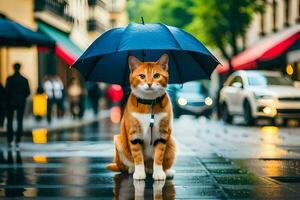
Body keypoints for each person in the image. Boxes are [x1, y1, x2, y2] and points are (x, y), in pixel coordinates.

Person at [5, 63, 30, 148]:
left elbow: (7, 91)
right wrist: (22, 97)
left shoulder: (9, 79)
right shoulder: (24, 79)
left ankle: (10, 139)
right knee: (19, 121)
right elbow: (28, 92)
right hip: (20, 102)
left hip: (11, 102)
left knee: (10, 121)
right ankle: (18, 140)